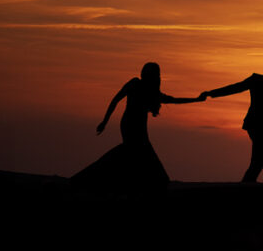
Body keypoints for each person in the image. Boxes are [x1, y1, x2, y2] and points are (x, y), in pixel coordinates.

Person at [72, 62, 205, 193]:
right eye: (156, 74)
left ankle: (97, 181)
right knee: (131, 155)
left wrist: (197, 99)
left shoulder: (153, 93)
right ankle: (88, 181)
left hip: (140, 130)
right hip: (130, 127)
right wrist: (104, 121)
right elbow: (116, 99)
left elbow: (175, 100)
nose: (158, 77)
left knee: (129, 155)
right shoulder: (135, 84)